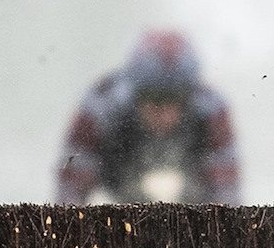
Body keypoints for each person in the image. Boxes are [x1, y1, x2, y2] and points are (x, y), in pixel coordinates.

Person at [54, 30, 240, 205]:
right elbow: (70, 189)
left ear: (190, 95)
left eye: (176, 99)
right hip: (121, 185)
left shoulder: (211, 112)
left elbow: (227, 194)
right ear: (135, 92)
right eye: (153, 98)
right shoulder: (101, 108)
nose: (165, 114)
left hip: (194, 194)